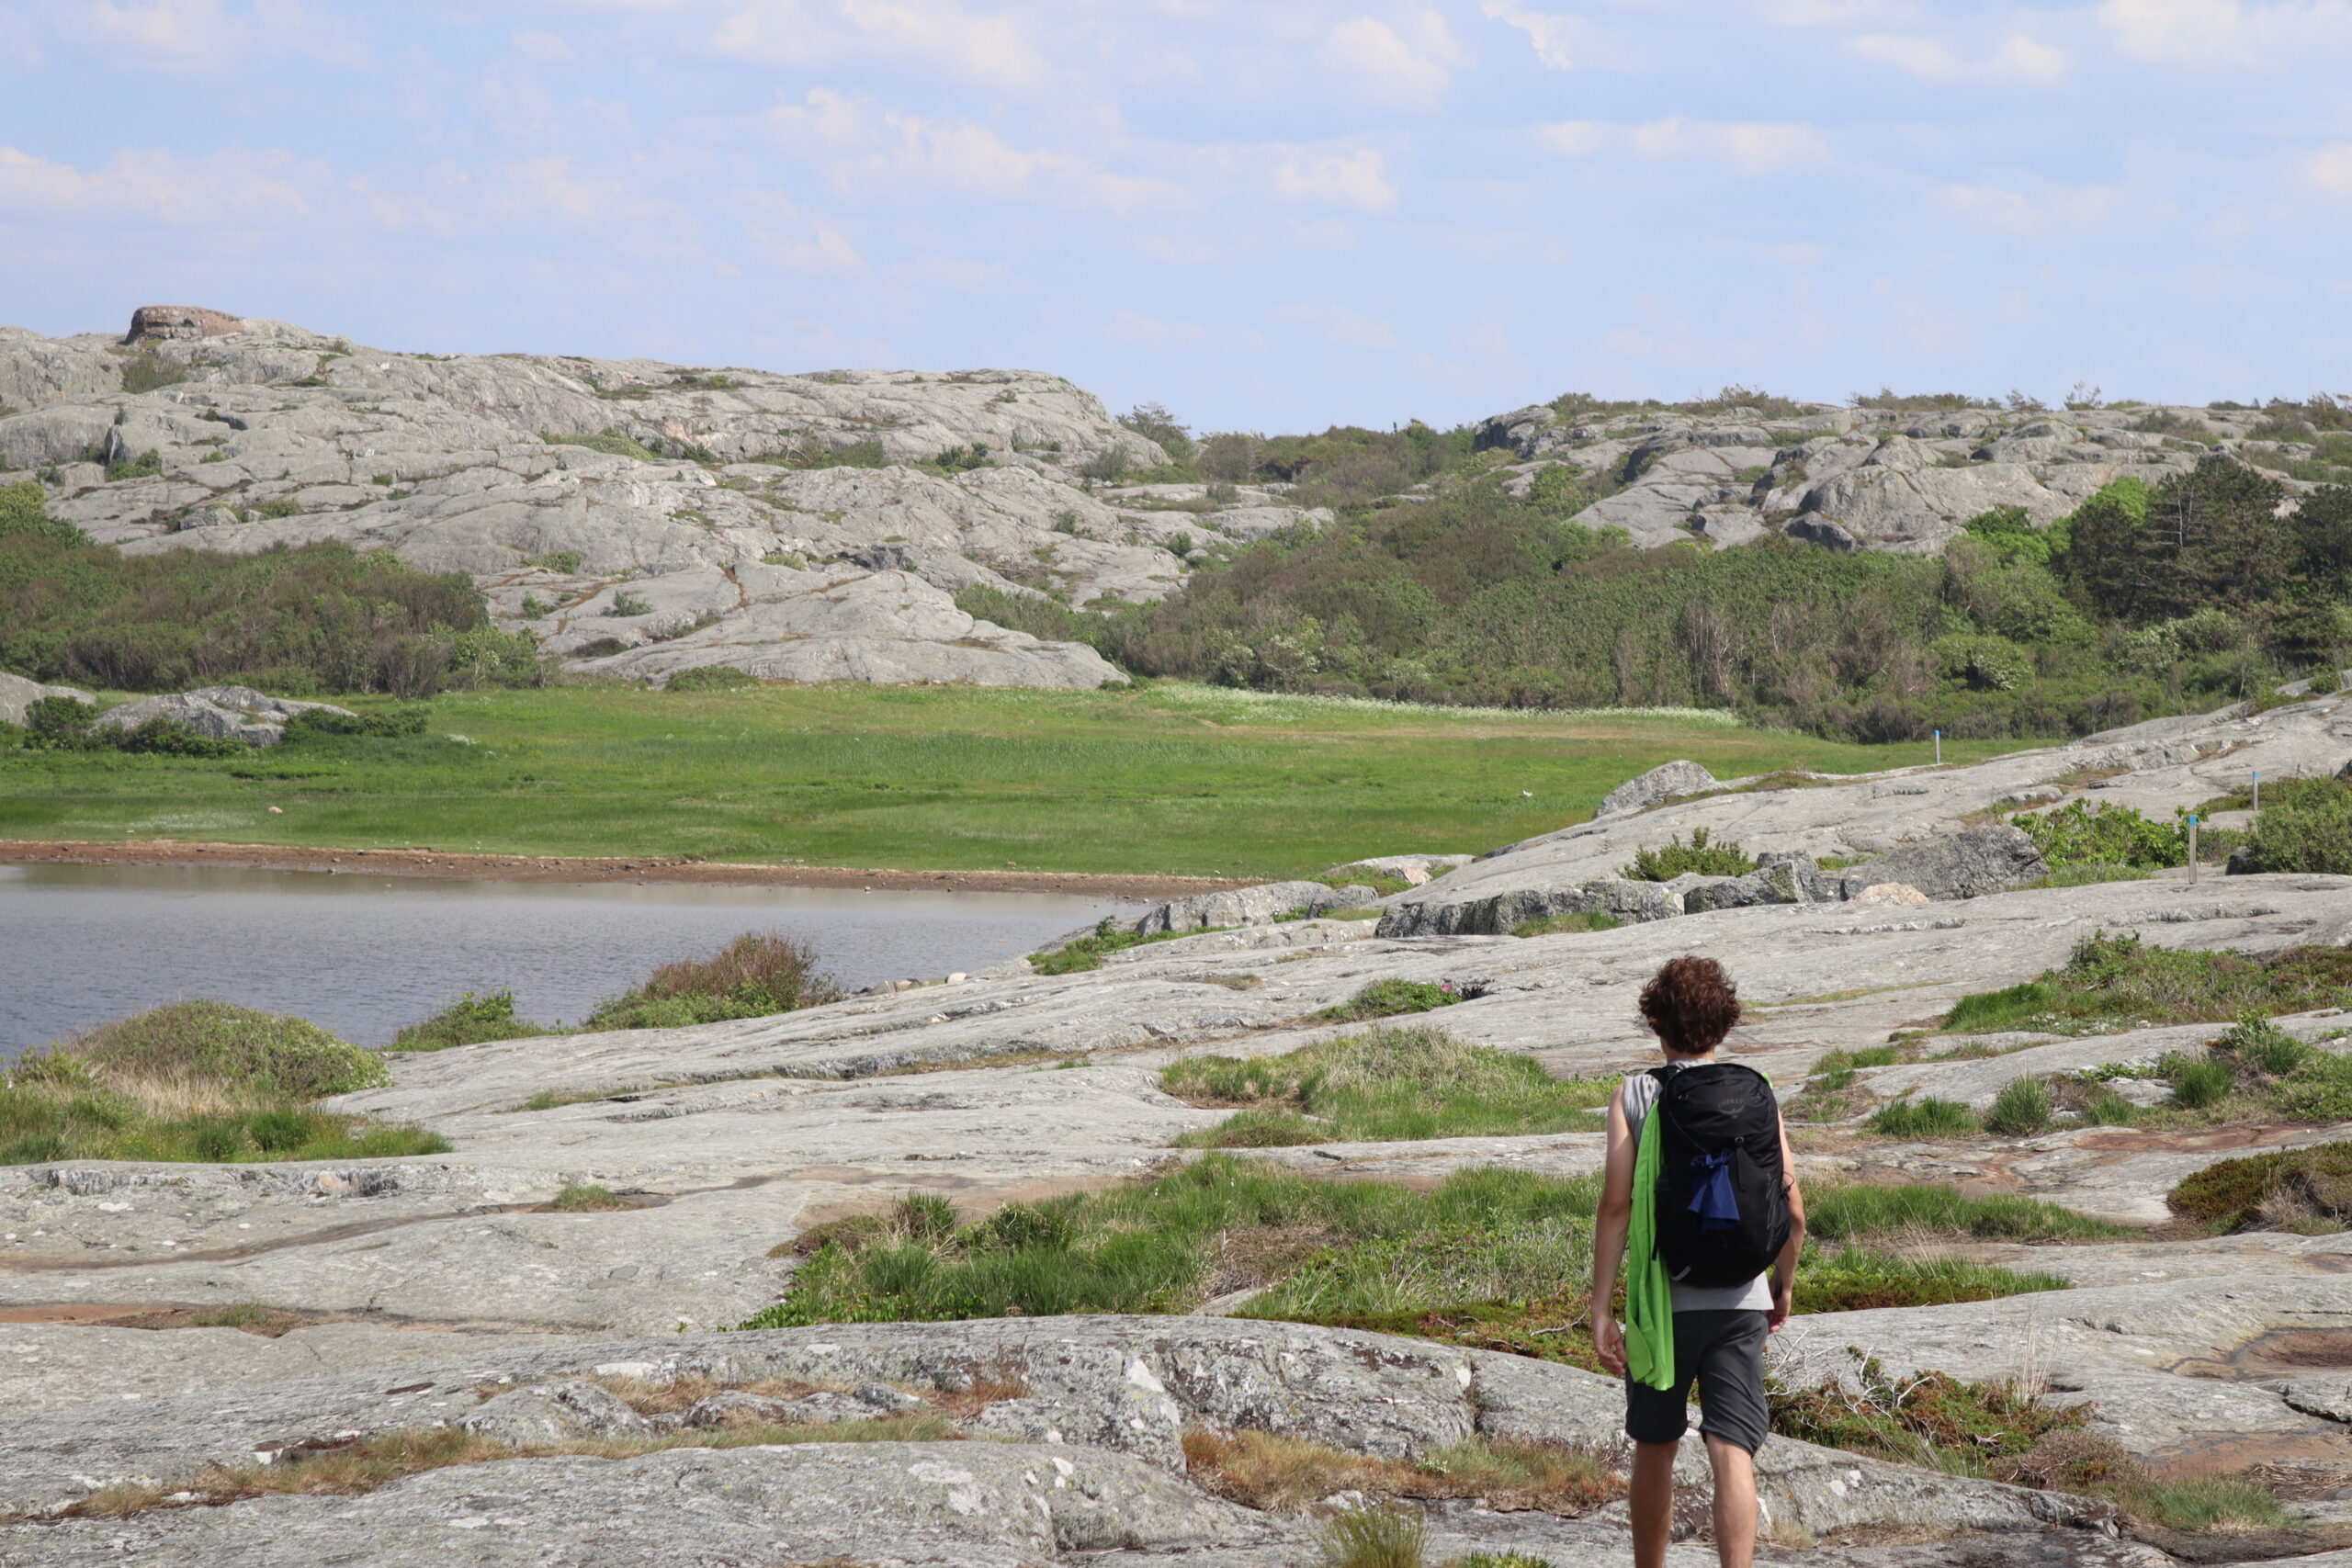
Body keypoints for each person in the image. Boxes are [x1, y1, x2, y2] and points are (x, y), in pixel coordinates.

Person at [1589, 954, 1804, 1568]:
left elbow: (1616, 1206)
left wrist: (1602, 1307)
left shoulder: (1635, 1095)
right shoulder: (1757, 1092)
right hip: (1741, 1298)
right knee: (1732, 1448)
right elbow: (1793, 1208)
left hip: (1662, 1306)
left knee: (1655, 1446)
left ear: (1656, 1022)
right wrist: (1783, 1284)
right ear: (1724, 1025)